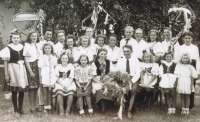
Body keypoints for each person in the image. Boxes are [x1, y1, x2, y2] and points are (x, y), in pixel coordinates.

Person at [0, 29, 29, 117]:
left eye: (17, 38)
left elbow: (26, 59)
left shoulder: (23, 47)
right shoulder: (8, 48)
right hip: (12, 69)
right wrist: (6, 74)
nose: (16, 39)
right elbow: (5, 62)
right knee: (14, 90)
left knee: (21, 90)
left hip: (21, 69)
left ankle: (20, 108)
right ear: (11, 38)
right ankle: (15, 109)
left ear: (20, 38)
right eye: (14, 38)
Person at [116, 44, 140, 119]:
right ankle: (121, 108)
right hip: (122, 79)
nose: (126, 53)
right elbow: (117, 72)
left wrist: (131, 81)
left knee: (133, 90)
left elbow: (138, 74)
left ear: (131, 51)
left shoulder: (135, 60)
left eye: (128, 51)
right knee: (120, 90)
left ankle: (129, 110)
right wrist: (123, 80)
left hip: (133, 79)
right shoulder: (120, 60)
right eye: (124, 51)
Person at [178, 31, 200, 109]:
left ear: (192, 39)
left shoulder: (195, 47)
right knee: (184, 84)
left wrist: (197, 71)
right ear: (183, 39)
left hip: (192, 65)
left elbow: (197, 59)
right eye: (186, 38)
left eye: (189, 38)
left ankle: (191, 104)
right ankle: (184, 104)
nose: (187, 40)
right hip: (183, 66)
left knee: (191, 85)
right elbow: (178, 59)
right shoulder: (180, 47)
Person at [92, 48, 116, 114]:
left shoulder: (108, 62)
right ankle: (102, 107)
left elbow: (114, 73)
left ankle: (108, 104)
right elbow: (93, 76)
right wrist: (100, 83)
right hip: (97, 80)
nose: (103, 55)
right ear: (98, 54)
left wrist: (108, 80)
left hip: (107, 79)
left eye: (105, 54)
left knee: (110, 87)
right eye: (101, 54)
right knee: (99, 89)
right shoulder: (94, 63)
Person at [38, 43, 57, 115]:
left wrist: (55, 77)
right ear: (43, 49)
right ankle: (46, 107)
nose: (47, 50)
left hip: (52, 75)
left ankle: (51, 107)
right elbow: (39, 68)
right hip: (44, 74)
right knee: (45, 92)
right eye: (46, 48)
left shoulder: (54, 57)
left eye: (49, 48)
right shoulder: (41, 57)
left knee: (51, 92)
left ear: (51, 49)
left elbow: (55, 67)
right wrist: (40, 78)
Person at [23, 31, 40, 113]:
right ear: (29, 37)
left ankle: (35, 106)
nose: (34, 38)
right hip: (31, 66)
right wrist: (30, 71)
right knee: (31, 88)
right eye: (32, 36)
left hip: (37, 66)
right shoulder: (27, 45)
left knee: (36, 88)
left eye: (35, 36)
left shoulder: (37, 45)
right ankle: (32, 107)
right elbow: (26, 60)